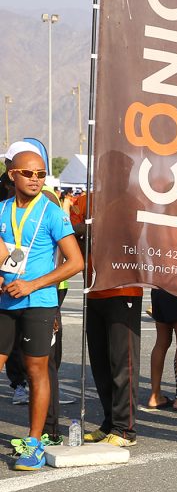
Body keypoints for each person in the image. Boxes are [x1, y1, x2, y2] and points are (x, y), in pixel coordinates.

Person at [0, 149, 84, 469]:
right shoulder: (2, 210)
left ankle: (34, 443)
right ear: (13, 175)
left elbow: (76, 262)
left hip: (39, 302)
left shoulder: (52, 212)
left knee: (37, 371)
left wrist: (33, 285)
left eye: (41, 174)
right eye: (29, 173)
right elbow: (3, 255)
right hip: (6, 302)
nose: (36, 179)